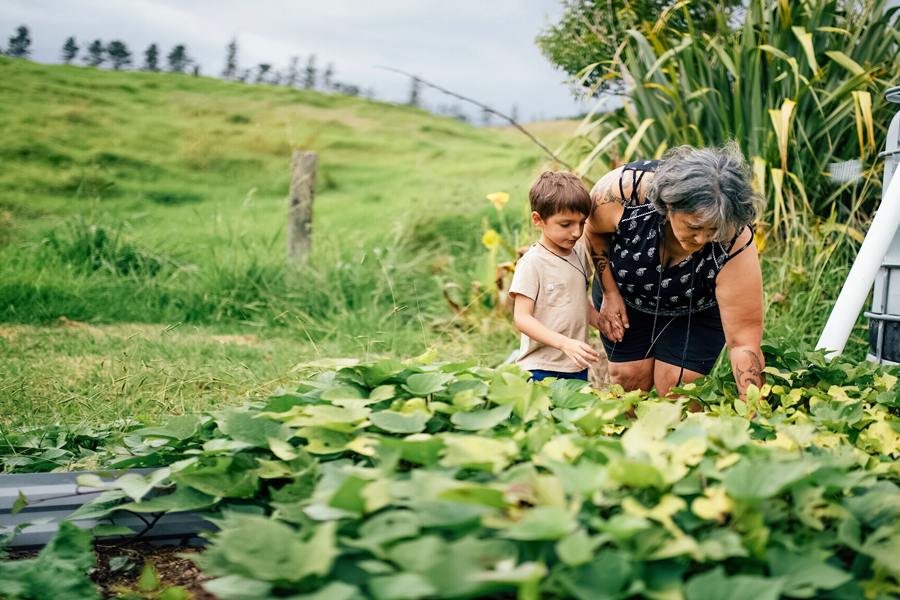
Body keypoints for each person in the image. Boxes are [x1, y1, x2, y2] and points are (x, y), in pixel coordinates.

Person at [583, 143, 766, 404]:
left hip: (696, 306)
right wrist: (610, 293)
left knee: (679, 389)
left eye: (713, 229)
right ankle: (625, 441)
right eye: (694, 226)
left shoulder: (734, 240)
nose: (702, 238)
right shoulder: (625, 191)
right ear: (670, 205)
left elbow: (743, 342)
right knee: (628, 380)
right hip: (625, 293)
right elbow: (593, 229)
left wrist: (756, 416)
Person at [509, 171, 601, 382]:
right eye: (566, 224)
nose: (577, 232)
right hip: (541, 367)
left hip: (576, 363)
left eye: (582, 223)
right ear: (538, 219)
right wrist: (564, 343)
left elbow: (578, 301)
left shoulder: (578, 252)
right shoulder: (532, 263)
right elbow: (522, 318)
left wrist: (602, 322)